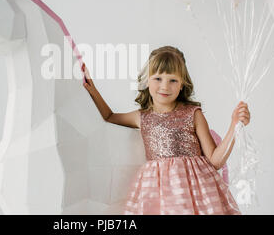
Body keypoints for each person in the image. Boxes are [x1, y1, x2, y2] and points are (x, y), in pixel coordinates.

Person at [82, 45, 250, 215]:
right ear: (147, 80)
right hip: (157, 195)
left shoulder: (193, 114)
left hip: (195, 193)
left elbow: (215, 161)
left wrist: (235, 125)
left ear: (182, 84)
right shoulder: (141, 117)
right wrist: (93, 89)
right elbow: (109, 116)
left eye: (173, 80)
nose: (165, 86)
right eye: (158, 78)